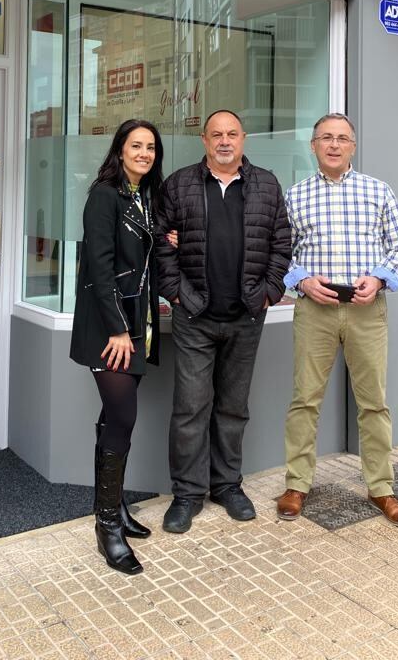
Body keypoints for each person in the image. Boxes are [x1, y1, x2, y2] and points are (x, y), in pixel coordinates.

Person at [155, 110, 291, 533]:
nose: (225, 141)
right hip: (195, 316)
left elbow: (282, 243)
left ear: (244, 139)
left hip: (246, 317)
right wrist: (177, 294)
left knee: (233, 408)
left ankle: (227, 485)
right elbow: (162, 245)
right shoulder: (179, 184)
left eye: (232, 134)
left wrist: (268, 291)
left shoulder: (266, 184)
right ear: (204, 139)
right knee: (190, 408)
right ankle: (187, 494)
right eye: (217, 135)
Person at [278, 113, 398, 527]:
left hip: (365, 309)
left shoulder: (377, 191)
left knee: (373, 402)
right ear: (314, 146)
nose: (334, 145)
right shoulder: (295, 196)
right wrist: (301, 280)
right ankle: (297, 483)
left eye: (342, 138)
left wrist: (378, 279)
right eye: (326, 138)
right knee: (305, 400)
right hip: (314, 310)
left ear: (353, 146)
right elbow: (278, 251)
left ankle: (382, 488)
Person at [69, 119, 164, 575]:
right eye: (136, 146)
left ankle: (114, 508)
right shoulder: (104, 195)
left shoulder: (144, 197)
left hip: (137, 322)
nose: (144, 153)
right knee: (123, 415)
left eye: (150, 147)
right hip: (109, 327)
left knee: (112, 417)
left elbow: (143, 257)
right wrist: (119, 330)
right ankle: (107, 526)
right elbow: (99, 270)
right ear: (120, 150)